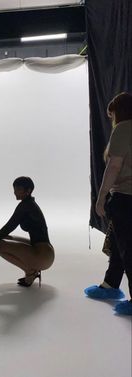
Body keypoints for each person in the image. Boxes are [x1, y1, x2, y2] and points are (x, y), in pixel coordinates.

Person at [85, 92, 132, 315]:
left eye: (112, 114)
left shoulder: (124, 129)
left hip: (125, 198)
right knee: (116, 244)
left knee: (128, 248)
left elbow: (114, 167)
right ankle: (110, 285)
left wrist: (101, 198)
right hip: (126, 198)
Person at [0, 176, 55, 286]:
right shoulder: (29, 204)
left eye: (18, 189)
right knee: (4, 238)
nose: (15, 192)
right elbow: (7, 231)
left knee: (0, 245)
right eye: (14, 189)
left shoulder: (26, 206)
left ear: (28, 191)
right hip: (45, 252)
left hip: (43, 255)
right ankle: (32, 271)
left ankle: (30, 272)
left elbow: (9, 226)